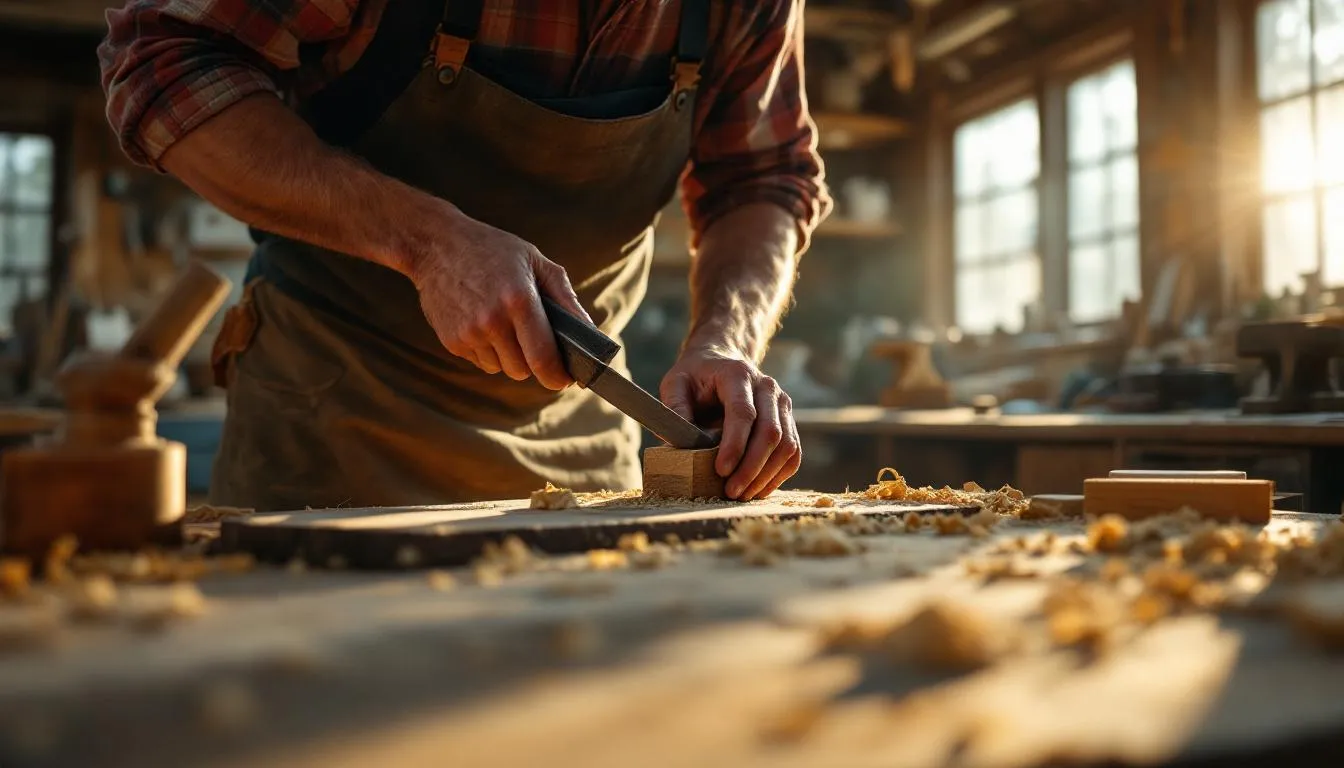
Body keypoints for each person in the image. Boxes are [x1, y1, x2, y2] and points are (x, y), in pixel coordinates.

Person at [99, 0, 831, 511]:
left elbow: (761, 177)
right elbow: (164, 60)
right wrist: (428, 241)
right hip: (334, 415)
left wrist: (726, 339)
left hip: (580, 436)